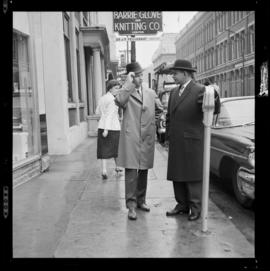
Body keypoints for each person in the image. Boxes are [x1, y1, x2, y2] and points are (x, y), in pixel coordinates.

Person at [165, 59, 220, 221]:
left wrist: (214, 96)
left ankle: (195, 207)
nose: (172, 76)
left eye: (175, 73)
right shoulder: (174, 93)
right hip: (176, 141)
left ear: (186, 73)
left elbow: (214, 108)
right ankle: (182, 204)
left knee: (193, 175)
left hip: (192, 141)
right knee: (177, 174)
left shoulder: (201, 89)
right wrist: (168, 136)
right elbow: (169, 116)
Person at [114, 61, 163, 220]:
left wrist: (152, 124)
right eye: (137, 75)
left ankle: (141, 201)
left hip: (146, 135)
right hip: (131, 136)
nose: (141, 78)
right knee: (131, 172)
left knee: (143, 170)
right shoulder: (126, 91)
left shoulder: (150, 92)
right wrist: (128, 83)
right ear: (131, 76)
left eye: (141, 75)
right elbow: (120, 101)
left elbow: (159, 109)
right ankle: (131, 206)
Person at [96, 79, 122, 180]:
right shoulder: (113, 100)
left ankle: (104, 170)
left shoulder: (102, 98)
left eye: (118, 88)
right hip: (112, 128)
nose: (118, 90)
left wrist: (102, 123)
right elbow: (110, 116)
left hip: (102, 126)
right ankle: (117, 167)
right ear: (110, 88)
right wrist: (106, 129)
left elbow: (97, 111)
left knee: (103, 149)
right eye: (116, 88)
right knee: (115, 148)